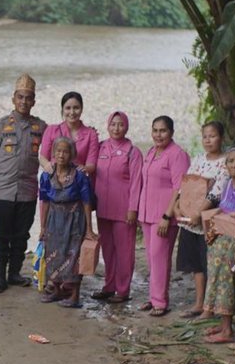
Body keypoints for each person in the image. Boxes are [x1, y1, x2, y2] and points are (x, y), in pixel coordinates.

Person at [0, 73, 47, 293]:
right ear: (13, 99)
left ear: (33, 101)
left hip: (28, 192)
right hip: (3, 191)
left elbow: (52, 152)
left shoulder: (41, 127)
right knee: (1, 236)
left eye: (28, 98)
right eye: (20, 97)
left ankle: (14, 273)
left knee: (22, 235)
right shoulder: (0, 126)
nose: (23, 102)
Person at [174, 121, 229, 318]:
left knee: (211, 264)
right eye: (205, 136)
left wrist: (198, 213)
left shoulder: (226, 162)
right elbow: (187, 184)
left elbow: (216, 192)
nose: (208, 140)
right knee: (196, 264)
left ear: (221, 138)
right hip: (190, 221)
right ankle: (199, 303)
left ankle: (210, 306)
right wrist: (179, 206)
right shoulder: (197, 159)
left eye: (212, 136)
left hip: (210, 220)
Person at [138, 115, 190, 317]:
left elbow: (180, 187)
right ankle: (153, 298)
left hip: (164, 216)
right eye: (155, 130)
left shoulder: (177, 154)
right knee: (152, 258)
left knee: (160, 258)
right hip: (147, 214)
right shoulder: (151, 152)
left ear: (171, 132)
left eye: (163, 130)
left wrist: (167, 216)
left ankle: (160, 301)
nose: (158, 135)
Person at [39, 137, 97, 307]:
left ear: (72, 154)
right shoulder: (46, 176)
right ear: (53, 153)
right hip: (54, 220)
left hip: (74, 219)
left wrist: (89, 229)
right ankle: (56, 290)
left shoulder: (79, 176)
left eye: (65, 151)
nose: (61, 155)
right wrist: (43, 227)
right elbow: (44, 201)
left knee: (74, 255)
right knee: (52, 254)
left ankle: (74, 295)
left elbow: (87, 202)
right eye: (58, 151)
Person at [92, 111, 143, 303]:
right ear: (107, 126)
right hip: (103, 208)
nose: (116, 128)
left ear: (127, 127)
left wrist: (133, 209)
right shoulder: (101, 147)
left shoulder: (133, 152)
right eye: (113, 124)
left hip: (123, 210)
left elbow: (137, 182)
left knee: (124, 251)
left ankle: (122, 290)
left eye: (120, 124)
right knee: (108, 249)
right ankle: (109, 285)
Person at [201, 146, 235, 344]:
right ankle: (223, 322)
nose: (234, 165)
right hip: (219, 242)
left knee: (228, 282)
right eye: (230, 161)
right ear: (225, 164)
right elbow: (222, 209)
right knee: (216, 279)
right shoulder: (228, 183)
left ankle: (228, 329)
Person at [39, 91, 99, 175]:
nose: (72, 112)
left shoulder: (91, 134)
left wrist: (84, 169)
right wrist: (48, 166)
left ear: (82, 109)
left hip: (78, 181)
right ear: (62, 110)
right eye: (68, 108)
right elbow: (43, 157)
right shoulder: (51, 130)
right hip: (54, 179)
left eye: (76, 108)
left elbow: (91, 164)